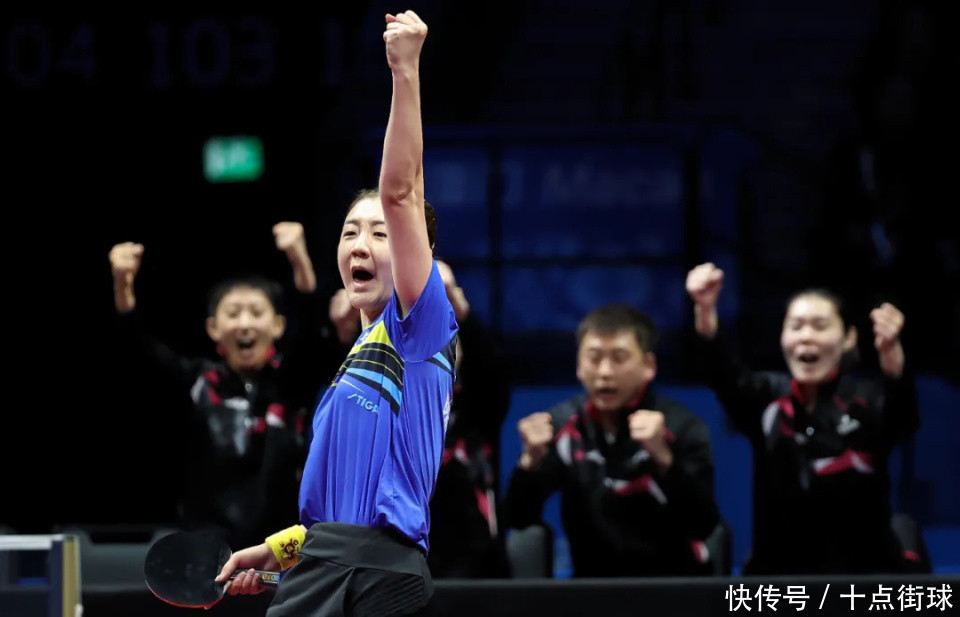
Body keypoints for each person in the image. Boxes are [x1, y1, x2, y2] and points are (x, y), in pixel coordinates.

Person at [217, 11, 457, 616]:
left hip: (370, 570)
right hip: (334, 564)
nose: (359, 244)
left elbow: (402, 192)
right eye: (350, 231)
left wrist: (406, 70)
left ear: (417, 253)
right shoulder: (358, 361)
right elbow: (345, 511)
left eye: (380, 233)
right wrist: (278, 552)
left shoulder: (419, 330)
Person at [108, 222, 337, 549]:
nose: (244, 323)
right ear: (213, 328)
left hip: (284, 548)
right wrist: (123, 286)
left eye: (256, 312)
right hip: (209, 548)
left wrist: (299, 260)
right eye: (233, 313)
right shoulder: (198, 383)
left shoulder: (291, 380)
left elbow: (311, 329)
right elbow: (142, 351)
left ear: (277, 325)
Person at [685, 262, 920, 574]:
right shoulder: (766, 397)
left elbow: (904, 420)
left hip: (862, 581)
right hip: (779, 580)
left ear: (849, 338)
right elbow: (721, 373)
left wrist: (893, 359)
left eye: (820, 326)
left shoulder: (868, 400)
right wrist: (704, 310)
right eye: (795, 327)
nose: (806, 336)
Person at [325, 260, 512, 579]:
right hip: (384, 573)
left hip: (474, 577)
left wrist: (459, 308)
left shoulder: (478, 410)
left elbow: (491, 373)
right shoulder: (365, 404)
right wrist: (342, 335)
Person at [505, 303, 721, 577]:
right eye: (594, 358)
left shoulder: (682, 426)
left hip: (672, 588)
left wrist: (665, 459)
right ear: (579, 366)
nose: (605, 372)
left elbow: (703, 526)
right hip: (591, 590)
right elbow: (519, 518)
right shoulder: (561, 428)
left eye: (619, 358)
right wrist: (530, 462)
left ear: (648, 366)